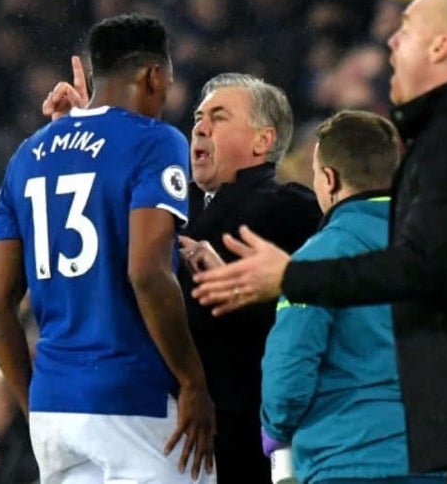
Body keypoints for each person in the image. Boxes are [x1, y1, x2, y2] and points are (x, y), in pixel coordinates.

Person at [190, 0, 447, 483]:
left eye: (406, 29)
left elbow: (420, 267)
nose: (392, 42)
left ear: (441, 46)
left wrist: (292, 276)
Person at [44, 69, 322, 484]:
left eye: (219, 117)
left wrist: (240, 289)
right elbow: (93, 234)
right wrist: (85, 144)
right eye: (198, 118)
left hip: (241, 434)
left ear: (263, 140)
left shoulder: (292, 209)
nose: (200, 128)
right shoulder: (167, 202)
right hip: (153, 431)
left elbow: (315, 319)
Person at [0, 13, 216, 483]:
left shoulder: (26, 156)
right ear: (154, 75)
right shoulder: (156, 141)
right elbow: (147, 273)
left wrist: (36, 406)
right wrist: (192, 381)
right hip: (134, 402)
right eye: (168, 83)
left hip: (54, 409)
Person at [258, 110, 446, 484]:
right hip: (440, 459)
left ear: (329, 179)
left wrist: (274, 430)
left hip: (347, 459)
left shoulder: (316, 260)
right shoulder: (442, 250)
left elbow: (289, 372)